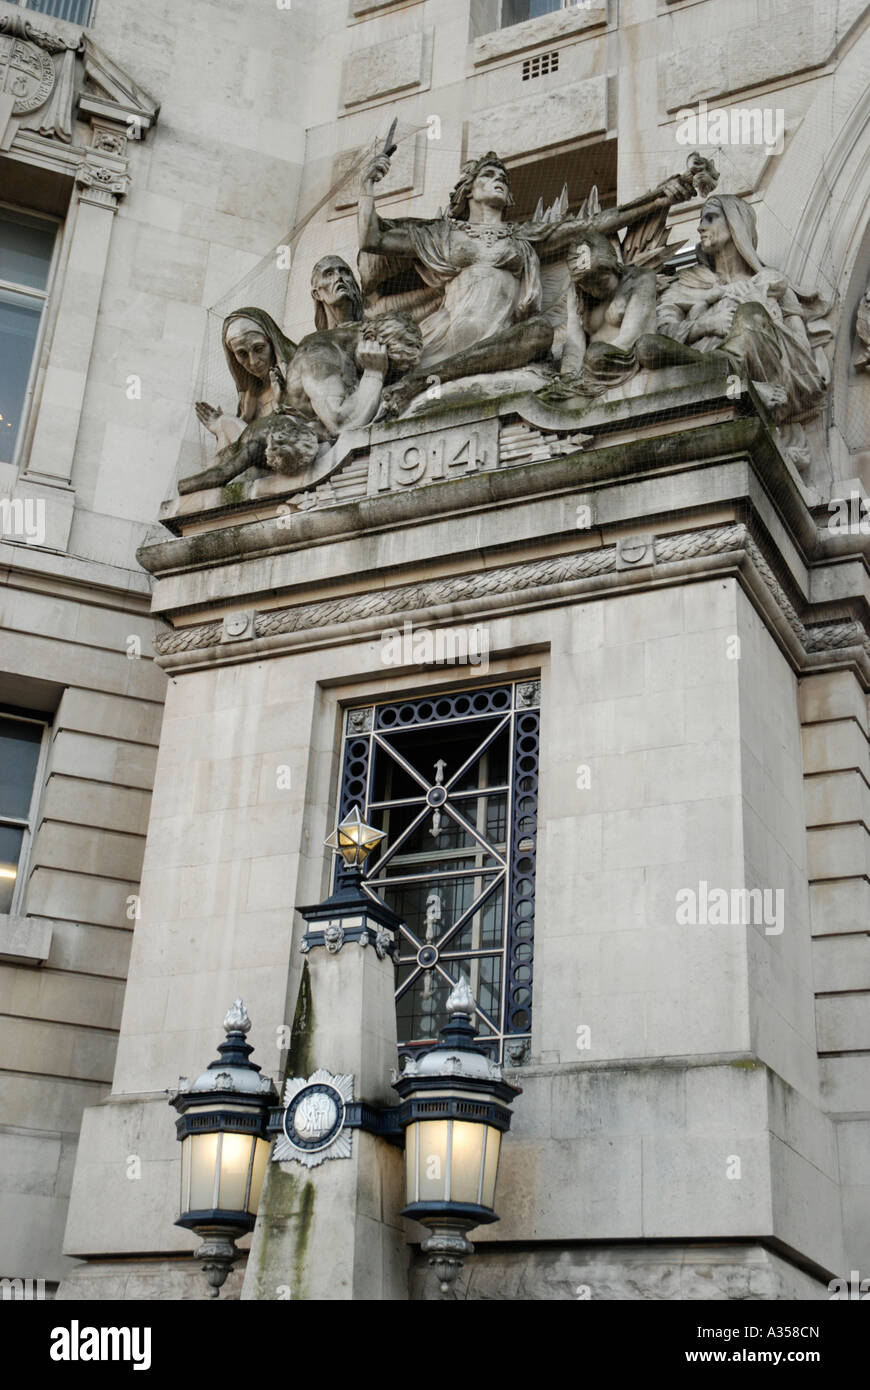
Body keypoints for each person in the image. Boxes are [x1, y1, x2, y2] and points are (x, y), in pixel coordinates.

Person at [358, 148, 698, 416]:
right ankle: (418, 380)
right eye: (489, 175)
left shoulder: (522, 237)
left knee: (539, 333)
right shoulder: (442, 234)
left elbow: (592, 225)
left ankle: (420, 382)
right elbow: (372, 238)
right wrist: (367, 188)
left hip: (502, 337)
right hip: (448, 332)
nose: (499, 180)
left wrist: (660, 197)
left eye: (503, 177)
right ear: (469, 191)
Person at [637, 195, 826, 425]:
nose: (701, 227)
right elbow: (663, 332)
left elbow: (802, 356)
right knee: (647, 346)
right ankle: (745, 386)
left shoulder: (772, 284)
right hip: (697, 377)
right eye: (701, 220)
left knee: (751, 313)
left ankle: (734, 378)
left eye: (710, 218)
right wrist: (706, 324)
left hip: (757, 372)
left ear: (736, 224)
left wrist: (762, 315)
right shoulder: (686, 283)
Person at [194, 308, 296, 454]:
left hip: (283, 455)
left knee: (225, 422)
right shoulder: (249, 397)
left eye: (259, 348)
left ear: (272, 342)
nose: (253, 362)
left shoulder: (296, 375)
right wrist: (242, 419)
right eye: (242, 354)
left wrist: (283, 403)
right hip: (254, 462)